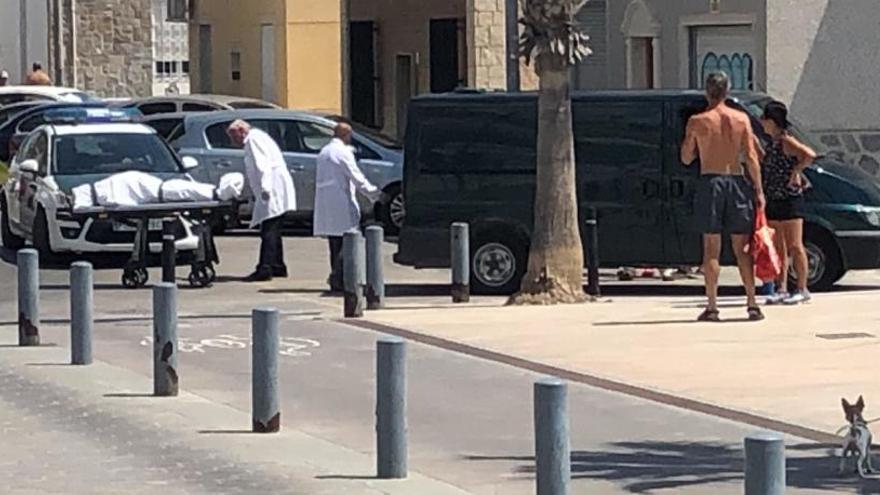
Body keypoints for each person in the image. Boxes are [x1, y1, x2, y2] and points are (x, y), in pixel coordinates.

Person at [681, 72, 766, 322]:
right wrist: (759, 191)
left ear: (707, 92)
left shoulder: (698, 121)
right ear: (728, 91)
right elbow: (751, 157)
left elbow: (686, 157)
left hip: (711, 181)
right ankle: (752, 303)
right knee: (742, 249)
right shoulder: (741, 119)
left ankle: (712, 306)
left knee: (711, 249)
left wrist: (692, 145)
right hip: (737, 181)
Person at [758, 100, 816, 305]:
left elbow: (809, 155)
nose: (762, 122)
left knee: (795, 245)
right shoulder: (771, 143)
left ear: (772, 121)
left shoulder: (786, 141)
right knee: (778, 246)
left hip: (790, 197)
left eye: (765, 118)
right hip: (774, 196)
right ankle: (781, 287)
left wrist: (796, 172)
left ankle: (802, 287)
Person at [313, 123, 382, 292]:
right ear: (347, 136)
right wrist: (375, 194)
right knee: (347, 241)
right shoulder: (343, 152)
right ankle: (340, 278)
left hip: (327, 202)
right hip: (340, 202)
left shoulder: (324, 151)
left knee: (335, 243)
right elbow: (357, 177)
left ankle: (337, 277)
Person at [226, 120, 297, 282]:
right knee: (274, 227)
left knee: (269, 230)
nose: (232, 140)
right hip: (273, 187)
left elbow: (262, 165)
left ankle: (264, 268)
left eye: (233, 135)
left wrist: (265, 189)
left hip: (272, 188)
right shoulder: (256, 137)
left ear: (241, 131)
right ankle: (278, 266)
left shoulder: (253, 140)